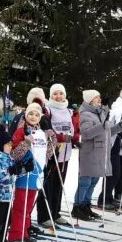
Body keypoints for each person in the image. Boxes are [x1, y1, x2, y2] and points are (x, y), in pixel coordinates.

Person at [72, 90, 122, 220]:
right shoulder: (86, 114)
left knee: (94, 180)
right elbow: (85, 134)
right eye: (96, 97)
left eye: (99, 97)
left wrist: (119, 127)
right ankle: (77, 207)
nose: (99, 99)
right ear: (90, 100)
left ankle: (86, 205)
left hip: (101, 152)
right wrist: (102, 126)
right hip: (90, 152)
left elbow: (106, 131)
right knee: (85, 181)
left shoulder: (100, 113)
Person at [8, 103, 54, 242]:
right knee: (20, 207)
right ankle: (15, 235)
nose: (33, 117)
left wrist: (52, 140)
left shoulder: (41, 133)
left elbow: (47, 154)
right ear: (26, 115)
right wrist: (25, 144)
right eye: (30, 114)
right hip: (25, 174)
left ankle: (24, 233)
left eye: (36, 114)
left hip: (37, 175)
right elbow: (14, 155)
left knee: (28, 207)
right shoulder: (21, 131)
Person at [38, 84, 74, 226]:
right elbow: (46, 130)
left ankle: (55, 212)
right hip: (52, 153)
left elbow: (71, 130)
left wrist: (75, 137)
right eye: (55, 94)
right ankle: (44, 215)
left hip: (65, 153)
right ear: (51, 96)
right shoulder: (47, 110)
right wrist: (60, 137)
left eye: (61, 93)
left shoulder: (68, 111)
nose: (58, 96)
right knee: (48, 185)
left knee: (59, 185)